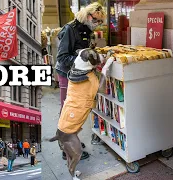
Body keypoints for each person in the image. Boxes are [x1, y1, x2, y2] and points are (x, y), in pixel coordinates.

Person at [55, 2, 106, 161]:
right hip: (67, 74)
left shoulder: (87, 29)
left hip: (80, 74)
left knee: (76, 111)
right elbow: (62, 57)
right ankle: (67, 149)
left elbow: (85, 51)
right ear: (87, 14)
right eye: (95, 20)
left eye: (99, 22)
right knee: (69, 111)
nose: (96, 24)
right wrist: (84, 62)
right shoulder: (70, 29)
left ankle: (71, 140)